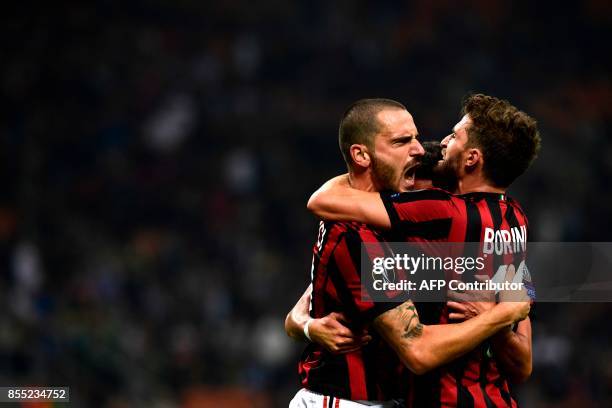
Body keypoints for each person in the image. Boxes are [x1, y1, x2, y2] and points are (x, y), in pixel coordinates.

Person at [286, 98, 531, 408]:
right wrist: (500, 316)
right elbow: (417, 350)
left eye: (452, 136)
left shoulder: (435, 222)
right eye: (403, 141)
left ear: (472, 159)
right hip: (347, 401)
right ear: (361, 154)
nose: (426, 147)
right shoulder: (361, 231)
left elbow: (522, 362)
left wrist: (301, 323)